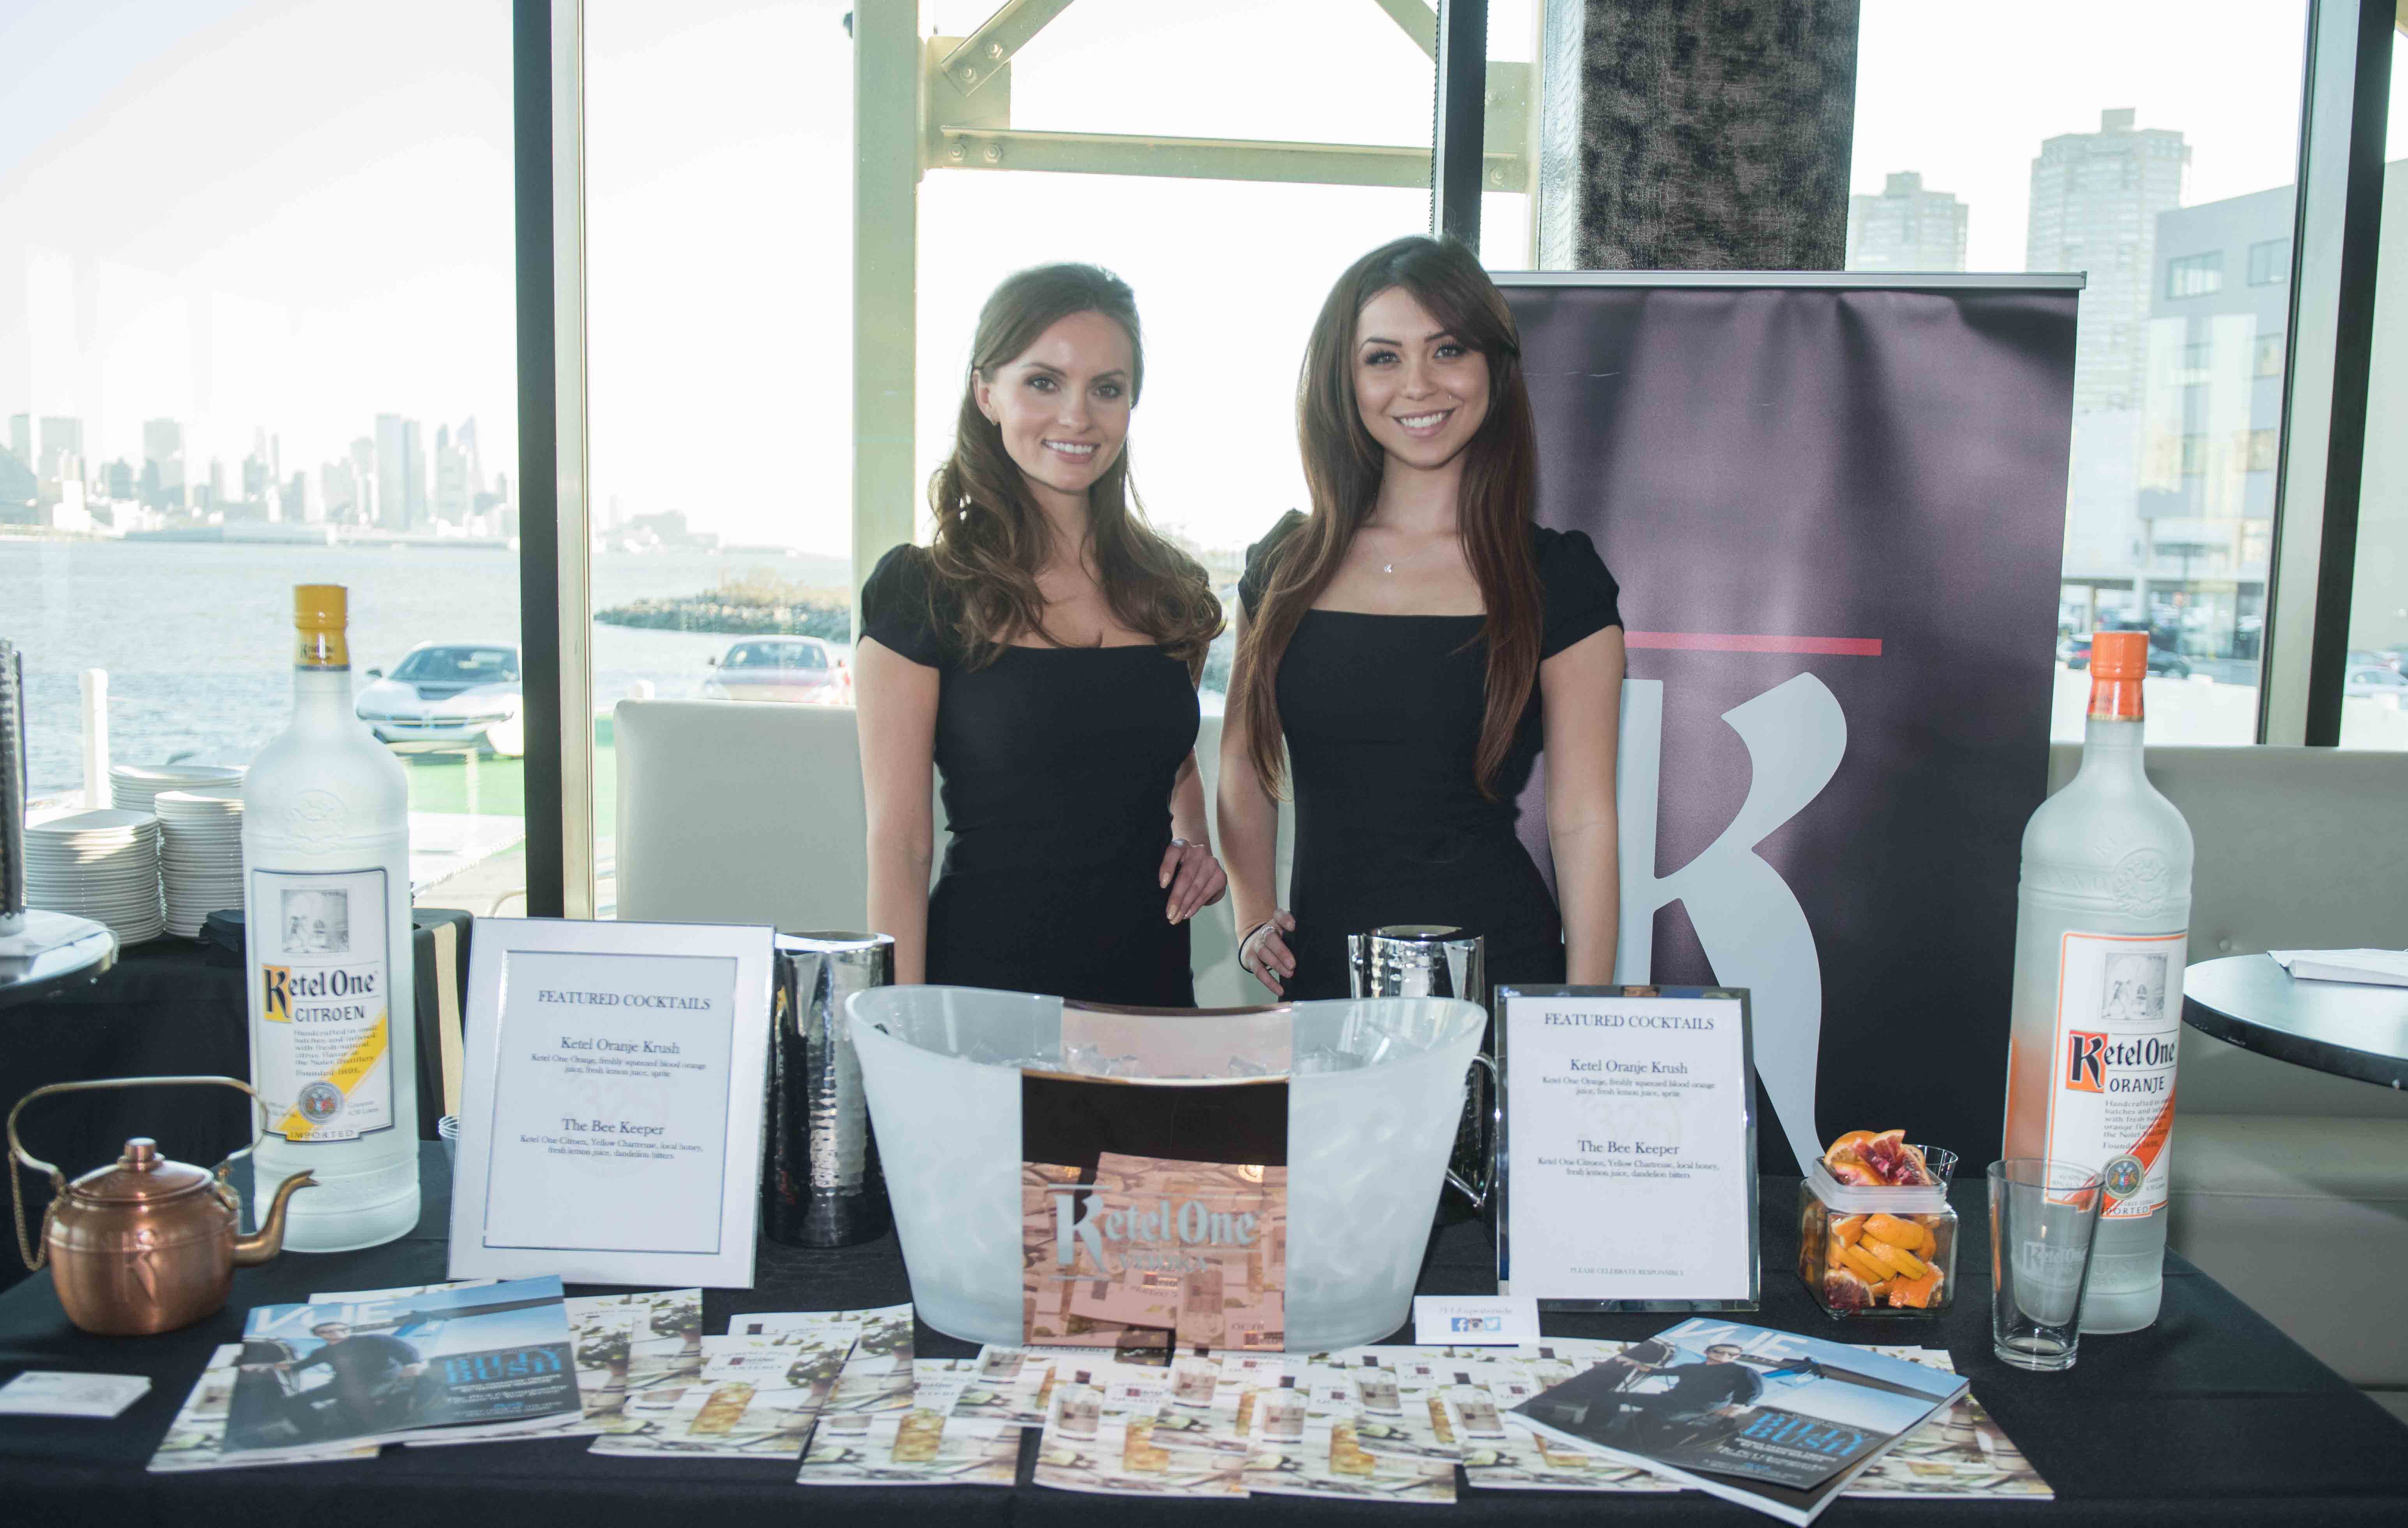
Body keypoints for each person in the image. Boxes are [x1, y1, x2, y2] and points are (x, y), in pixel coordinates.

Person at [1217, 235, 1625, 1002]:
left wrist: (1580, 1013)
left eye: (1447, 350)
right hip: (1322, 976)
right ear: (1344, 380)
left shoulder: (1555, 577)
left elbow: (1582, 818)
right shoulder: (1284, 567)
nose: (1417, 384)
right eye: (1383, 357)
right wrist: (1250, 916)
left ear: (1491, 367)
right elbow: (1243, 762)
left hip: (1498, 967)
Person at [857, 263, 1227, 1006]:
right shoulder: (922, 592)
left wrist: (1196, 846)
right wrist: (897, 1031)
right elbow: (901, 849)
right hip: (983, 1004)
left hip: (1152, 1001)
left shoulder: (1168, 592)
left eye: (1107, 389)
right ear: (986, 393)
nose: (1077, 416)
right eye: (1043, 383)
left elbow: (1163, 756)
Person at [281, 1319, 427, 1434]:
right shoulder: (322, 1352)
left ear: (348, 1331)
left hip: (380, 1380)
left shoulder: (372, 1340)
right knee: (295, 1402)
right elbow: (300, 1365)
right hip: (343, 1384)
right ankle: (316, 1431)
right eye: (327, 1332)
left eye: (341, 1330)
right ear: (319, 1335)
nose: (335, 1333)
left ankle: (370, 1432)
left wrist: (413, 1364)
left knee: (349, 1402)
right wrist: (276, 1367)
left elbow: (407, 1350)